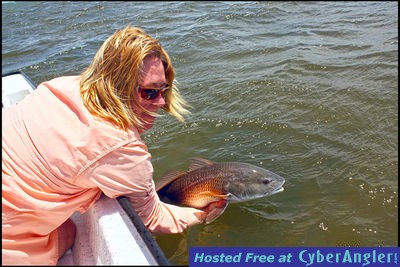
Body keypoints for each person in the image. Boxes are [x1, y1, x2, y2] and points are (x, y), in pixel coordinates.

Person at [2, 25, 214, 265]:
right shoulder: (121, 147)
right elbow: (154, 218)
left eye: (164, 89)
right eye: (149, 92)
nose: (162, 101)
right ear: (118, 87)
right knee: (67, 234)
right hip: (10, 243)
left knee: (69, 227)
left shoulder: (60, 87)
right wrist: (206, 211)